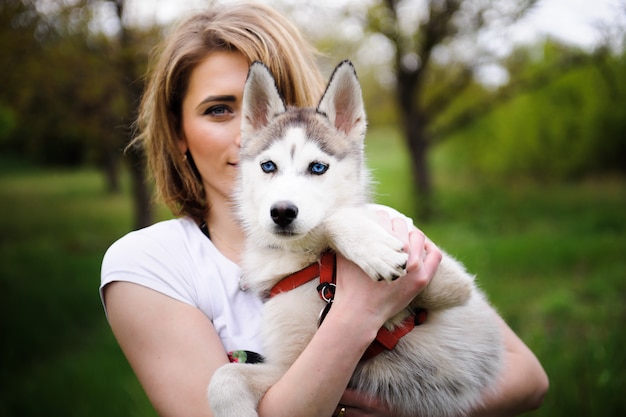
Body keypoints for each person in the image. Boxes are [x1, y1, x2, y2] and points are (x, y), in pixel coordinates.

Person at [100, 3, 548, 417]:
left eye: (279, 106)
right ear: (178, 131)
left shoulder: (371, 226)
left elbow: (525, 374)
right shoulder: (151, 265)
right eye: (219, 110)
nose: (249, 136)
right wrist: (362, 311)